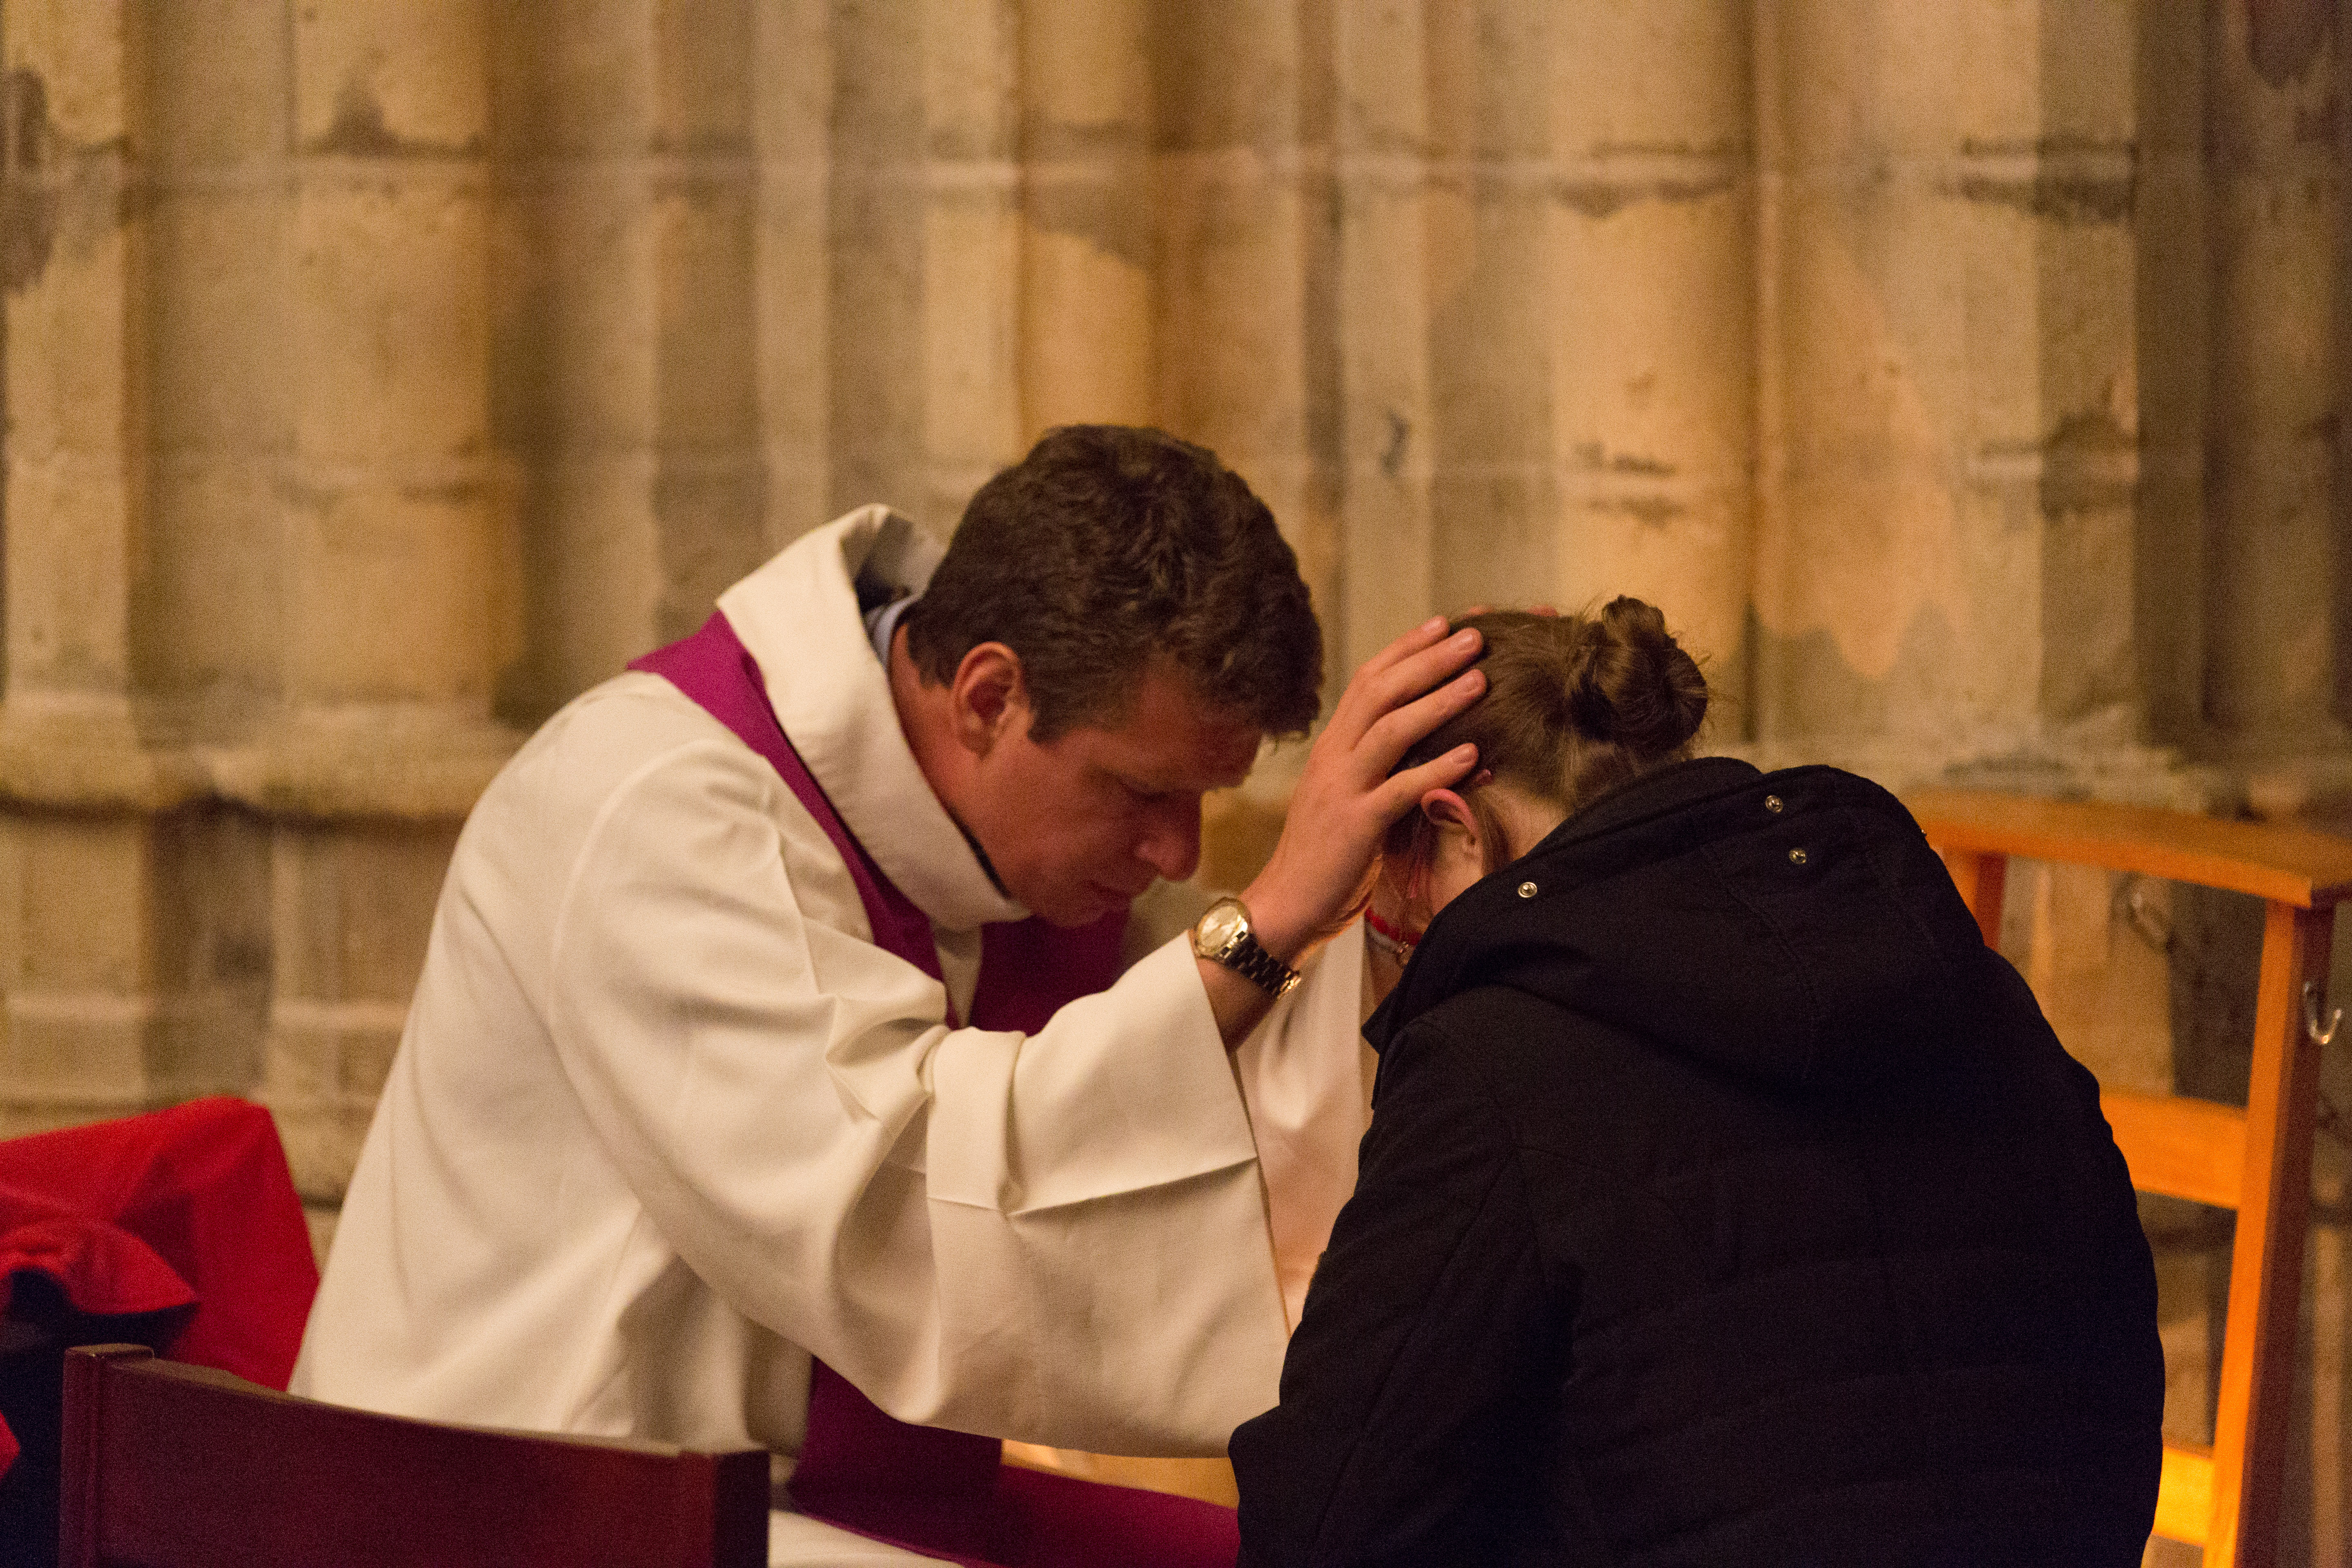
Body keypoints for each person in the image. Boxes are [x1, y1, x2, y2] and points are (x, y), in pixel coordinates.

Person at [292, 427, 1481, 1566]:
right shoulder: (652, 807)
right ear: (985, 697)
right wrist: (1264, 921)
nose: (1176, 854)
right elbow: (898, 1211)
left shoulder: (1004, 857)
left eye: (1204, 806)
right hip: (517, 1501)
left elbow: (1185, 1100)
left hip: (767, 1502)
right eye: (1141, 794)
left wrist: (1389, 934)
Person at [1229, 601, 2164, 1567]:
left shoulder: (1491, 1071)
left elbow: (1326, 1525)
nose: (1402, 940)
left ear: (1452, 828)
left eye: (1395, 905)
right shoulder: (1978, 994)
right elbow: (2120, 1395)